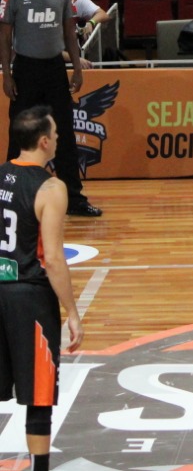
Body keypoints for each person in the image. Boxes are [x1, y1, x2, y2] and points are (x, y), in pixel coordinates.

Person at [0, 105, 85, 471]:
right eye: (57, 133)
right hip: (28, 296)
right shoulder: (51, 187)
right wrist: (72, 311)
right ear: (45, 141)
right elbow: (52, 258)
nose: (60, 138)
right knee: (38, 390)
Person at [0, 0, 101, 216]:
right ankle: (12, 200)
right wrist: (7, 75)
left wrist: (77, 69)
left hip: (55, 69)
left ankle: (75, 200)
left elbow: (70, 34)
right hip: (26, 70)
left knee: (65, 134)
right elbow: (5, 38)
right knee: (19, 134)